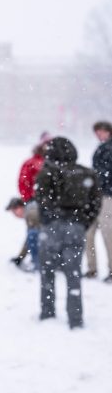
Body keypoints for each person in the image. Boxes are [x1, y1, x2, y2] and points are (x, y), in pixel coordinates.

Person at [35, 137, 101, 329]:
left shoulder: (46, 173)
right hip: (76, 226)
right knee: (73, 274)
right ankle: (75, 318)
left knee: (47, 271)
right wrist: (83, 222)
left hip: (51, 228)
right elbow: (95, 203)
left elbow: (41, 199)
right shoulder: (86, 173)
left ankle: (47, 312)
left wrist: (49, 219)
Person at [16, 132, 51, 272]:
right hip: (35, 202)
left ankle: (38, 261)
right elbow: (23, 182)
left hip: (48, 203)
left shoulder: (51, 163)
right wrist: (30, 197)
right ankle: (37, 262)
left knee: (43, 233)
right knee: (34, 233)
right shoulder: (32, 163)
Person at [85, 120, 112, 283]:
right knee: (89, 232)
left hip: (107, 196)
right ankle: (91, 268)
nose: (99, 134)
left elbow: (104, 173)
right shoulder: (101, 148)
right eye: (97, 132)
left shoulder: (108, 149)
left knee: (107, 233)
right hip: (96, 196)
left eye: (102, 131)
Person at [5, 197, 30, 269]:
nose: (14, 215)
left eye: (14, 211)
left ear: (19, 207)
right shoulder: (30, 212)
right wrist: (21, 257)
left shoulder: (31, 213)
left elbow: (32, 239)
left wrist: (21, 257)